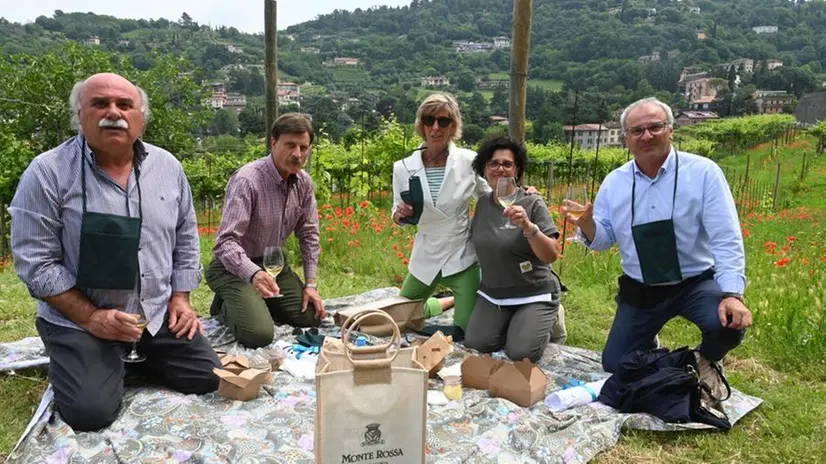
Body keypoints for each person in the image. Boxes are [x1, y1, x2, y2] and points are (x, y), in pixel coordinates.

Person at [9, 73, 220, 432]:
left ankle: (123, 360)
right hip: (81, 320)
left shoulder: (168, 167)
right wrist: (92, 318)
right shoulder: (47, 172)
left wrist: (181, 298)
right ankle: (91, 357)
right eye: (100, 103)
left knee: (208, 378)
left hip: (152, 313)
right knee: (90, 413)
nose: (114, 112)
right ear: (80, 114)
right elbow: (35, 262)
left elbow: (186, 235)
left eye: (125, 105)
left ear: (140, 116)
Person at [564, 97, 753, 404]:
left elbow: (725, 236)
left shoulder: (704, 173)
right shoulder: (615, 182)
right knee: (615, 364)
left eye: (655, 127)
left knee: (727, 325)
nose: (646, 136)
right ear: (626, 138)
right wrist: (587, 225)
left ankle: (706, 358)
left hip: (695, 283)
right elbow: (602, 241)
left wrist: (732, 293)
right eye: (637, 130)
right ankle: (669, 357)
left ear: (670, 130)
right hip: (642, 289)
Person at [206, 113, 325, 348]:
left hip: (273, 265)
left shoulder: (304, 183)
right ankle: (225, 305)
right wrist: (252, 274)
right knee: (259, 334)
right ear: (273, 143)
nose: (297, 154)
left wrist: (311, 285)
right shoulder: (248, 180)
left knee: (310, 317)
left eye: (304, 147)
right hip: (233, 267)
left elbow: (309, 234)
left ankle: (255, 302)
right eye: (290, 145)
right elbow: (225, 242)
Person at [391, 93, 488, 339]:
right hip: (427, 252)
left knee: (467, 333)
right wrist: (400, 215)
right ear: (421, 124)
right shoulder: (403, 167)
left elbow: (491, 196)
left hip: (461, 254)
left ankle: (457, 300)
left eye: (443, 121)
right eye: (429, 120)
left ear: (453, 126)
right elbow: (396, 211)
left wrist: (522, 196)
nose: (435, 127)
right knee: (399, 320)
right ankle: (443, 303)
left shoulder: (469, 161)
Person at [464, 136, 563, 362]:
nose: (500, 169)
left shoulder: (532, 202)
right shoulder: (482, 204)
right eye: (493, 163)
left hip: (533, 292)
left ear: (517, 170)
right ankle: (517, 324)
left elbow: (551, 254)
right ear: (484, 169)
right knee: (477, 344)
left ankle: (547, 320)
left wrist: (529, 227)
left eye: (507, 164)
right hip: (494, 294)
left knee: (521, 353)